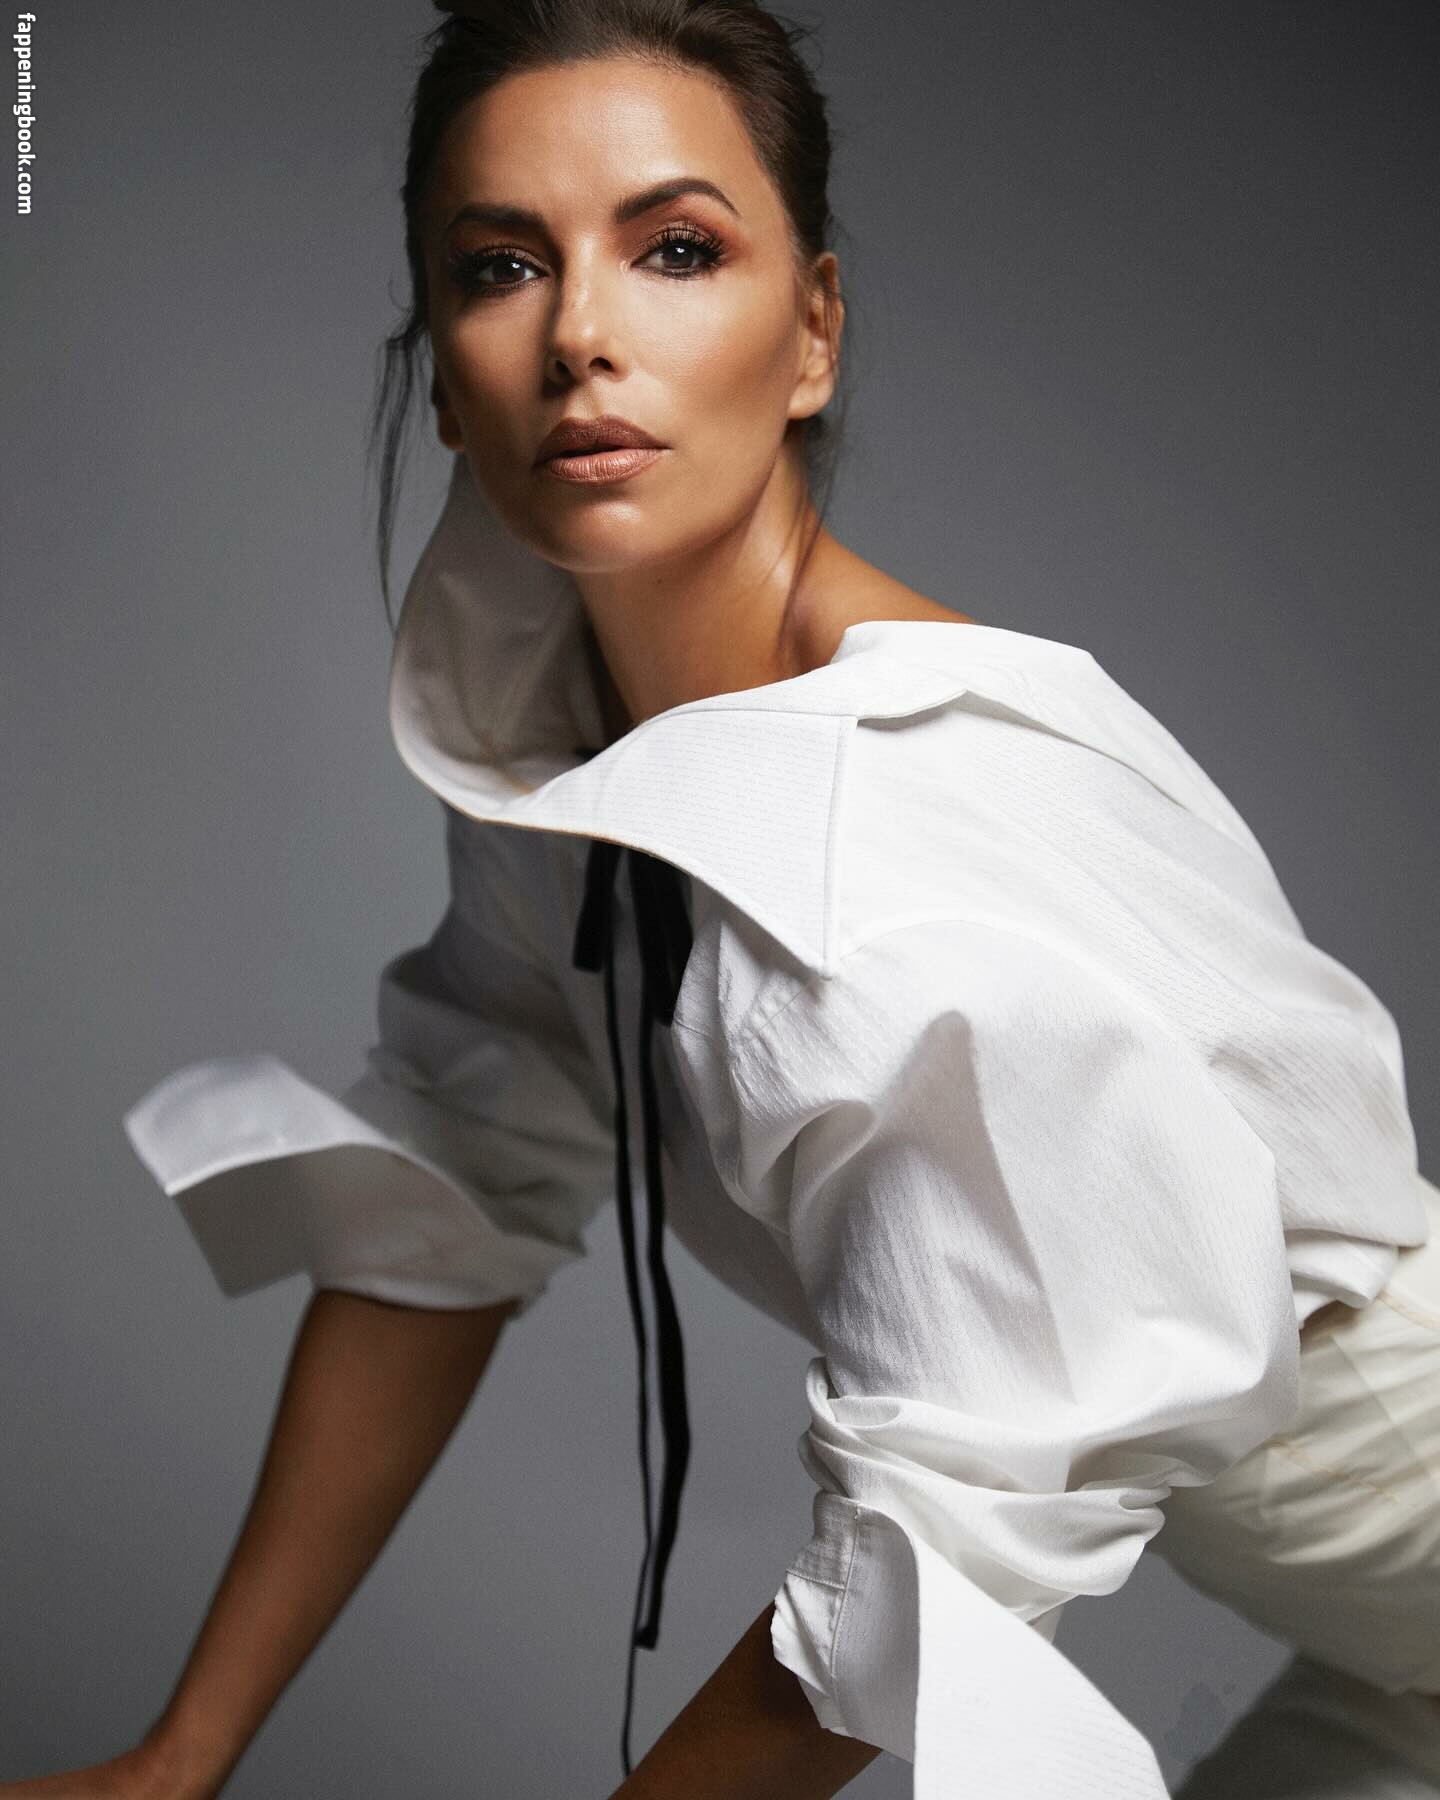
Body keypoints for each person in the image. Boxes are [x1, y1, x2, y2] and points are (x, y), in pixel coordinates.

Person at [6, 3, 1438, 1797]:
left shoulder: (895, 849)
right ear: (440, 373)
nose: (580, 335)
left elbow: (933, 1572)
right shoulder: (579, 761)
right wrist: (179, 1759)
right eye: (500, 266)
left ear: (813, 330)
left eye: (674, 249)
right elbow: (462, 1182)